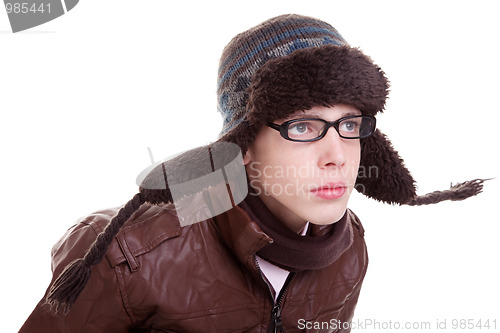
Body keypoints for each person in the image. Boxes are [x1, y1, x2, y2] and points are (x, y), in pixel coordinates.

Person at [19, 14, 486, 333]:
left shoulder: (348, 248)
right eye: (302, 126)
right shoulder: (127, 255)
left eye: (349, 125)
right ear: (242, 149)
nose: (337, 155)